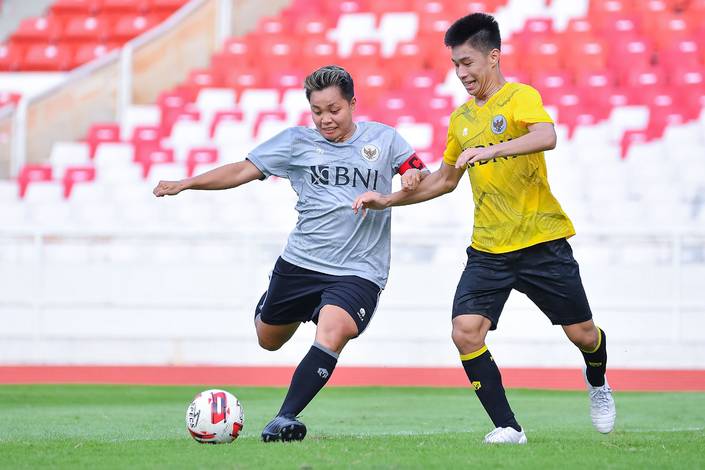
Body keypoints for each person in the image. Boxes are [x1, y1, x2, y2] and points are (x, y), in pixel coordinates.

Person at [352, 13, 615, 444]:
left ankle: (598, 382)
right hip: (489, 248)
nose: (461, 73)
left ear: (493, 57)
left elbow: (546, 135)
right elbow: (443, 180)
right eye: (456, 64)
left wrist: (494, 148)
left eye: (468, 63)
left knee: (583, 335)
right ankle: (508, 427)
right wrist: (388, 199)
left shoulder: (519, 98)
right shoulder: (461, 121)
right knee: (465, 331)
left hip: (541, 241)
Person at [153, 65, 428, 442]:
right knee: (268, 339)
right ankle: (270, 302)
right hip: (301, 263)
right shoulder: (297, 142)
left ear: (352, 103)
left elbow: (416, 170)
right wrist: (187, 183)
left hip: (359, 269)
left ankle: (284, 417)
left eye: (334, 109)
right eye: (317, 112)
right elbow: (240, 171)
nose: (326, 119)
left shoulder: (384, 139)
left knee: (335, 330)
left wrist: (412, 176)